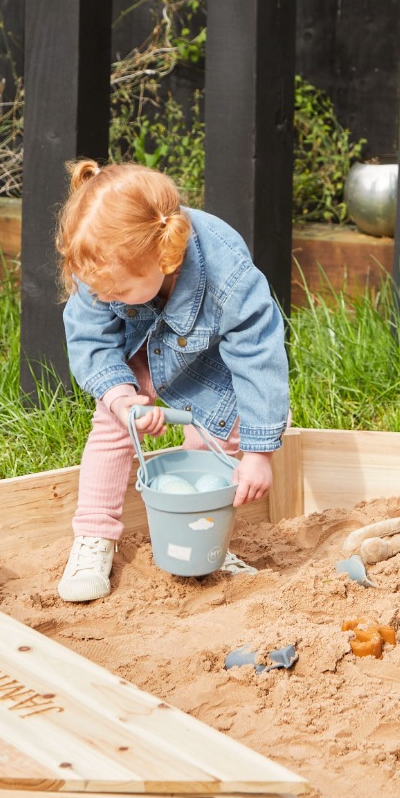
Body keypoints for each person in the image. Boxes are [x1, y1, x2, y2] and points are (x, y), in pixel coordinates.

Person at [55, 160, 290, 602]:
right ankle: (94, 537)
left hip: (211, 361)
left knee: (218, 436)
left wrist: (260, 454)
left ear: (165, 257)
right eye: (98, 292)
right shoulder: (101, 262)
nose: (106, 299)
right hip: (140, 347)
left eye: (117, 293)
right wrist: (123, 399)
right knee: (111, 425)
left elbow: (259, 356)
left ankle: (205, 543)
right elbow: (90, 336)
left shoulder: (228, 273)